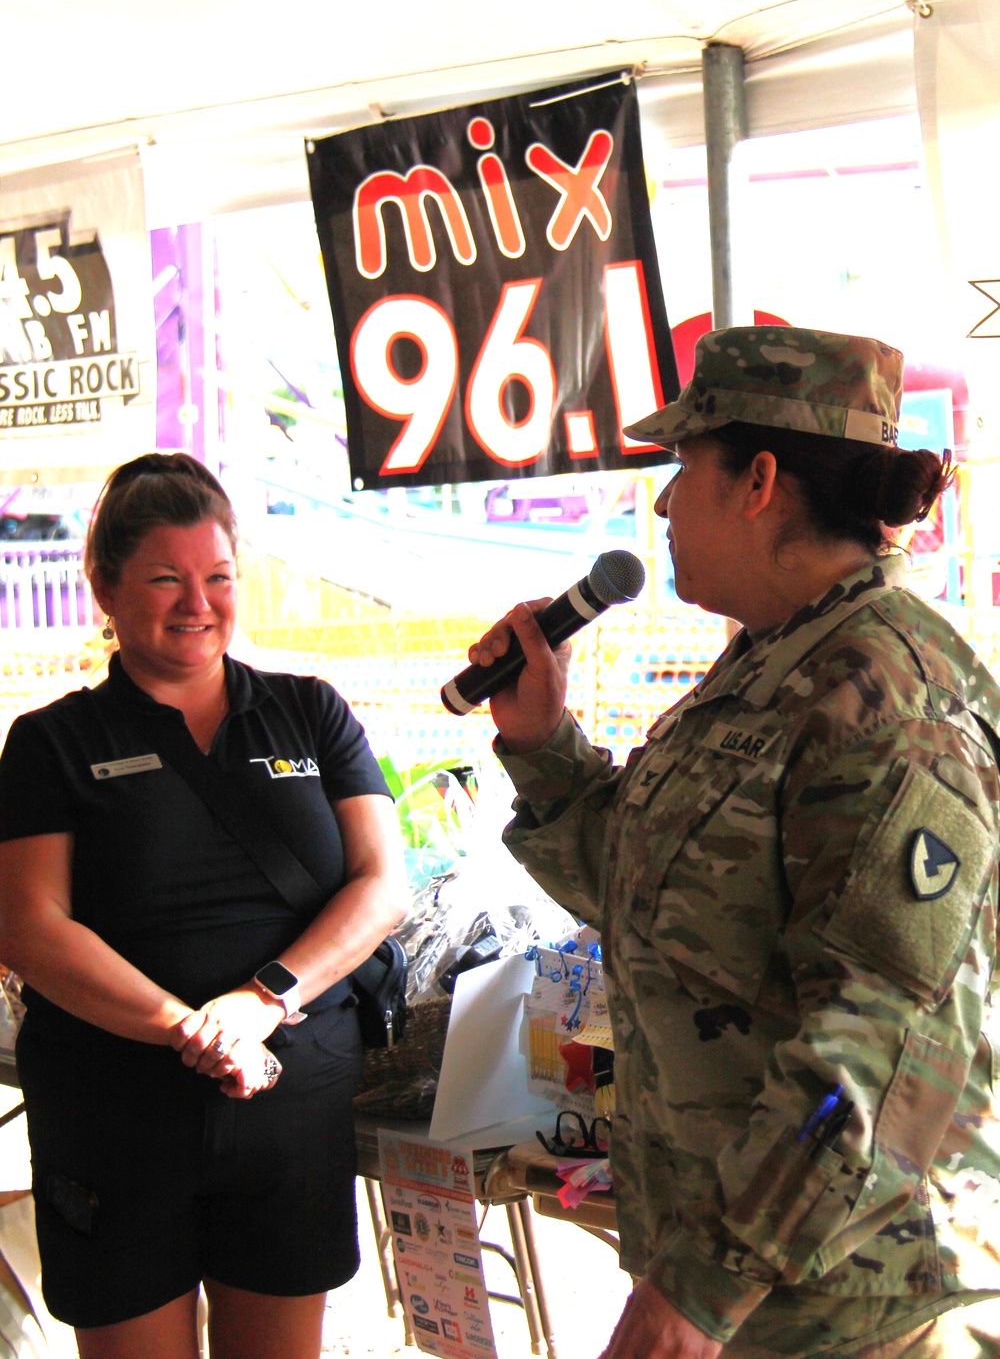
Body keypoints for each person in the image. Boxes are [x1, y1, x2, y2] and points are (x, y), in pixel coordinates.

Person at [470, 328, 1000, 1357]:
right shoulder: (769, 669)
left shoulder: (886, 698)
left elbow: (885, 1044)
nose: (663, 505)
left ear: (758, 480)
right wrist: (540, 743)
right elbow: (650, 895)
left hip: (848, 1306)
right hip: (743, 1289)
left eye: (681, 468)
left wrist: (698, 1291)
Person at [0, 453, 408, 1359]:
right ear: (104, 586)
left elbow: (381, 882)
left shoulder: (310, 713)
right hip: (116, 1115)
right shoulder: (51, 744)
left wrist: (262, 1000)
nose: (198, 602)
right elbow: (30, 926)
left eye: (218, 577)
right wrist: (190, 1027)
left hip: (288, 1111)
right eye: (165, 579)